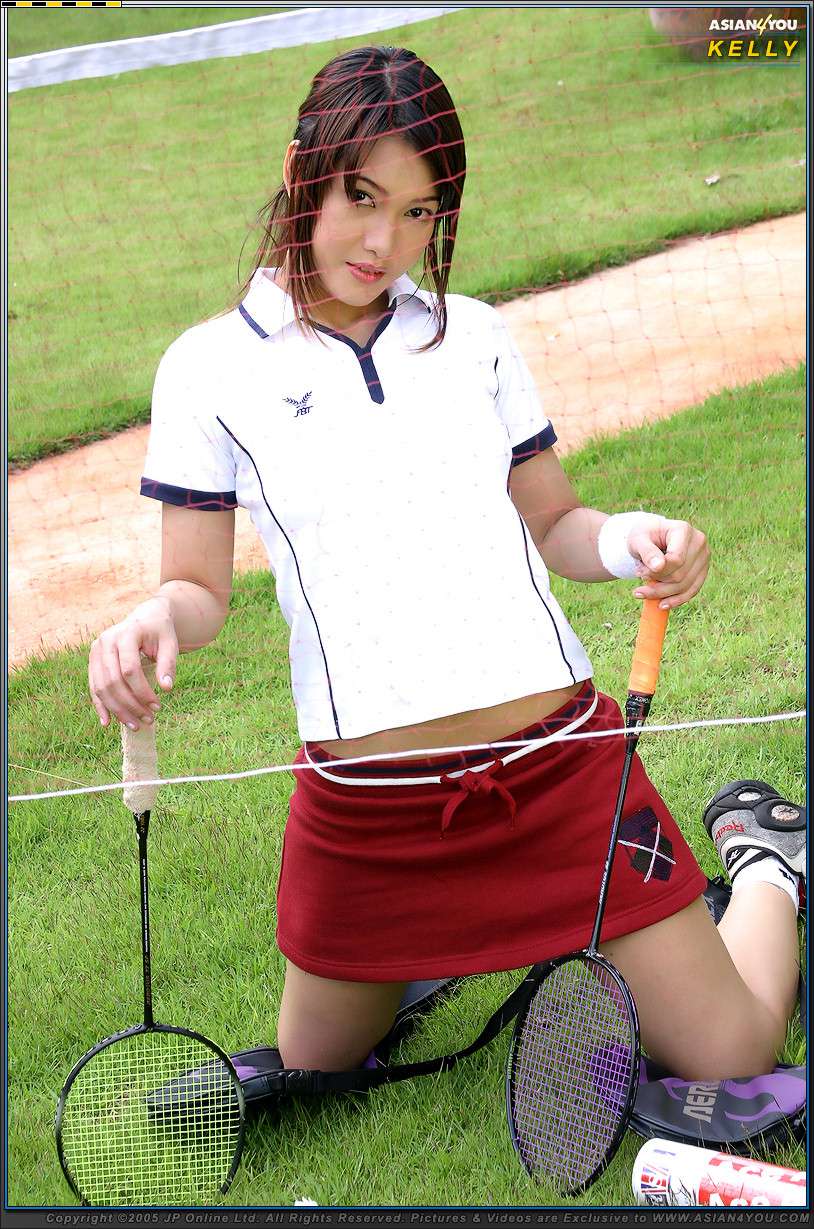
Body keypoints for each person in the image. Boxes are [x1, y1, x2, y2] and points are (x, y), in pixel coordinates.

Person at [88, 45, 804, 1086]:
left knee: (731, 1049)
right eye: (361, 196)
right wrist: (152, 618)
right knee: (317, 1060)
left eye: (419, 211)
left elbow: (557, 521)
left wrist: (631, 536)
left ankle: (771, 864)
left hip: (554, 769)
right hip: (369, 809)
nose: (384, 241)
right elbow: (196, 589)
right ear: (301, 170)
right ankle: (441, 940)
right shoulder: (208, 367)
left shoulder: (472, 337)